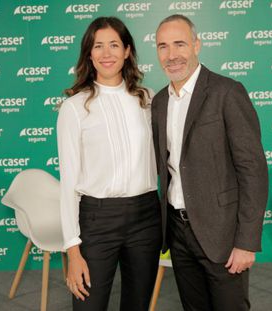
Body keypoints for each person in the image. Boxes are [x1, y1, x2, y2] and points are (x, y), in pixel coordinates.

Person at [151, 15, 269, 310]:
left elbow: (253, 171)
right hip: (178, 233)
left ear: (197, 45)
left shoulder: (227, 92)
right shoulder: (160, 103)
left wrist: (246, 242)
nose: (172, 54)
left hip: (223, 234)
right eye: (163, 46)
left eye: (180, 44)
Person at [57, 16, 161, 311]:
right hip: (96, 220)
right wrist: (72, 248)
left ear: (127, 50)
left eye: (114, 45)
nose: (106, 53)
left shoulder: (148, 99)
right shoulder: (74, 107)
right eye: (98, 46)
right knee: (88, 305)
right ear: (89, 53)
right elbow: (68, 182)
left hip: (146, 216)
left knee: (138, 304)